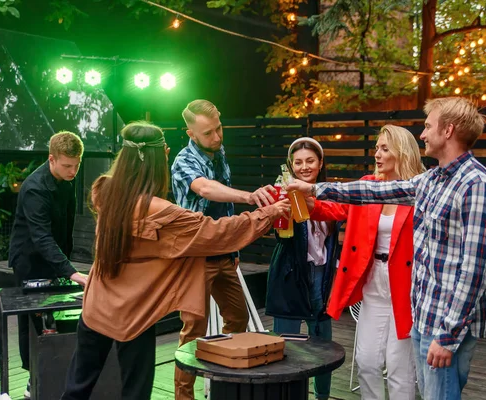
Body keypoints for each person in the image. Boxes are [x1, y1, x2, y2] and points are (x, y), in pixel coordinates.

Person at [288, 97, 486, 400]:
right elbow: (373, 190)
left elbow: (473, 272)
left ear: (448, 131)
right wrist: (313, 189)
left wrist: (448, 335)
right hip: (422, 313)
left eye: (428, 126)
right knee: (389, 373)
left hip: (441, 323)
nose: (423, 134)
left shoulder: (476, 185)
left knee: (429, 390)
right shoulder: (433, 180)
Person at [61, 121, 289, 400]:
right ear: (164, 155)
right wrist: (269, 212)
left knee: (76, 389)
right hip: (135, 315)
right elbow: (218, 232)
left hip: (96, 305)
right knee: (135, 393)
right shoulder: (163, 214)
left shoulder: (105, 192)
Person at [307, 125, 424, 400]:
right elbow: (335, 208)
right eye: (376, 149)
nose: (377, 155)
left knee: (399, 368)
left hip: (406, 289)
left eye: (385, 149)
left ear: (402, 152)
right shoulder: (368, 184)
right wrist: (307, 203)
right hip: (373, 285)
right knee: (367, 361)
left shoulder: (420, 188)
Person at [171, 100, 278, 399]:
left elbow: (222, 205)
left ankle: (227, 386)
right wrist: (249, 197)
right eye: (208, 133)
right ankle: (184, 396)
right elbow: (205, 189)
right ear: (190, 133)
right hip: (195, 257)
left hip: (224, 254)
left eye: (219, 128)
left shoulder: (218, 151)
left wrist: (234, 249)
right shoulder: (183, 161)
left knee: (238, 318)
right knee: (193, 330)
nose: (217, 137)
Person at [8, 131, 88, 399]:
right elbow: (41, 237)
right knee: (33, 320)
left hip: (54, 258)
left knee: (58, 315)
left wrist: (65, 264)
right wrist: (72, 271)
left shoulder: (67, 179)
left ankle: (59, 372)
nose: (73, 171)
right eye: (67, 165)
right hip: (29, 261)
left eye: (77, 165)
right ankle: (33, 379)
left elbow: (65, 227)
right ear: (51, 159)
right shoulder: (34, 188)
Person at [265, 137, 341, 400]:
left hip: (322, 278)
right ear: (291, 166)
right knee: (285, 348)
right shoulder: (284, 193)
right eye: (298, 162)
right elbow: (279, 235)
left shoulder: (332, 194)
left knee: (323, 347)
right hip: (289, 277)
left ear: (320, 163)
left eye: (310, 161)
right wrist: (276, 206)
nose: (304, 167)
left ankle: (322, 396)